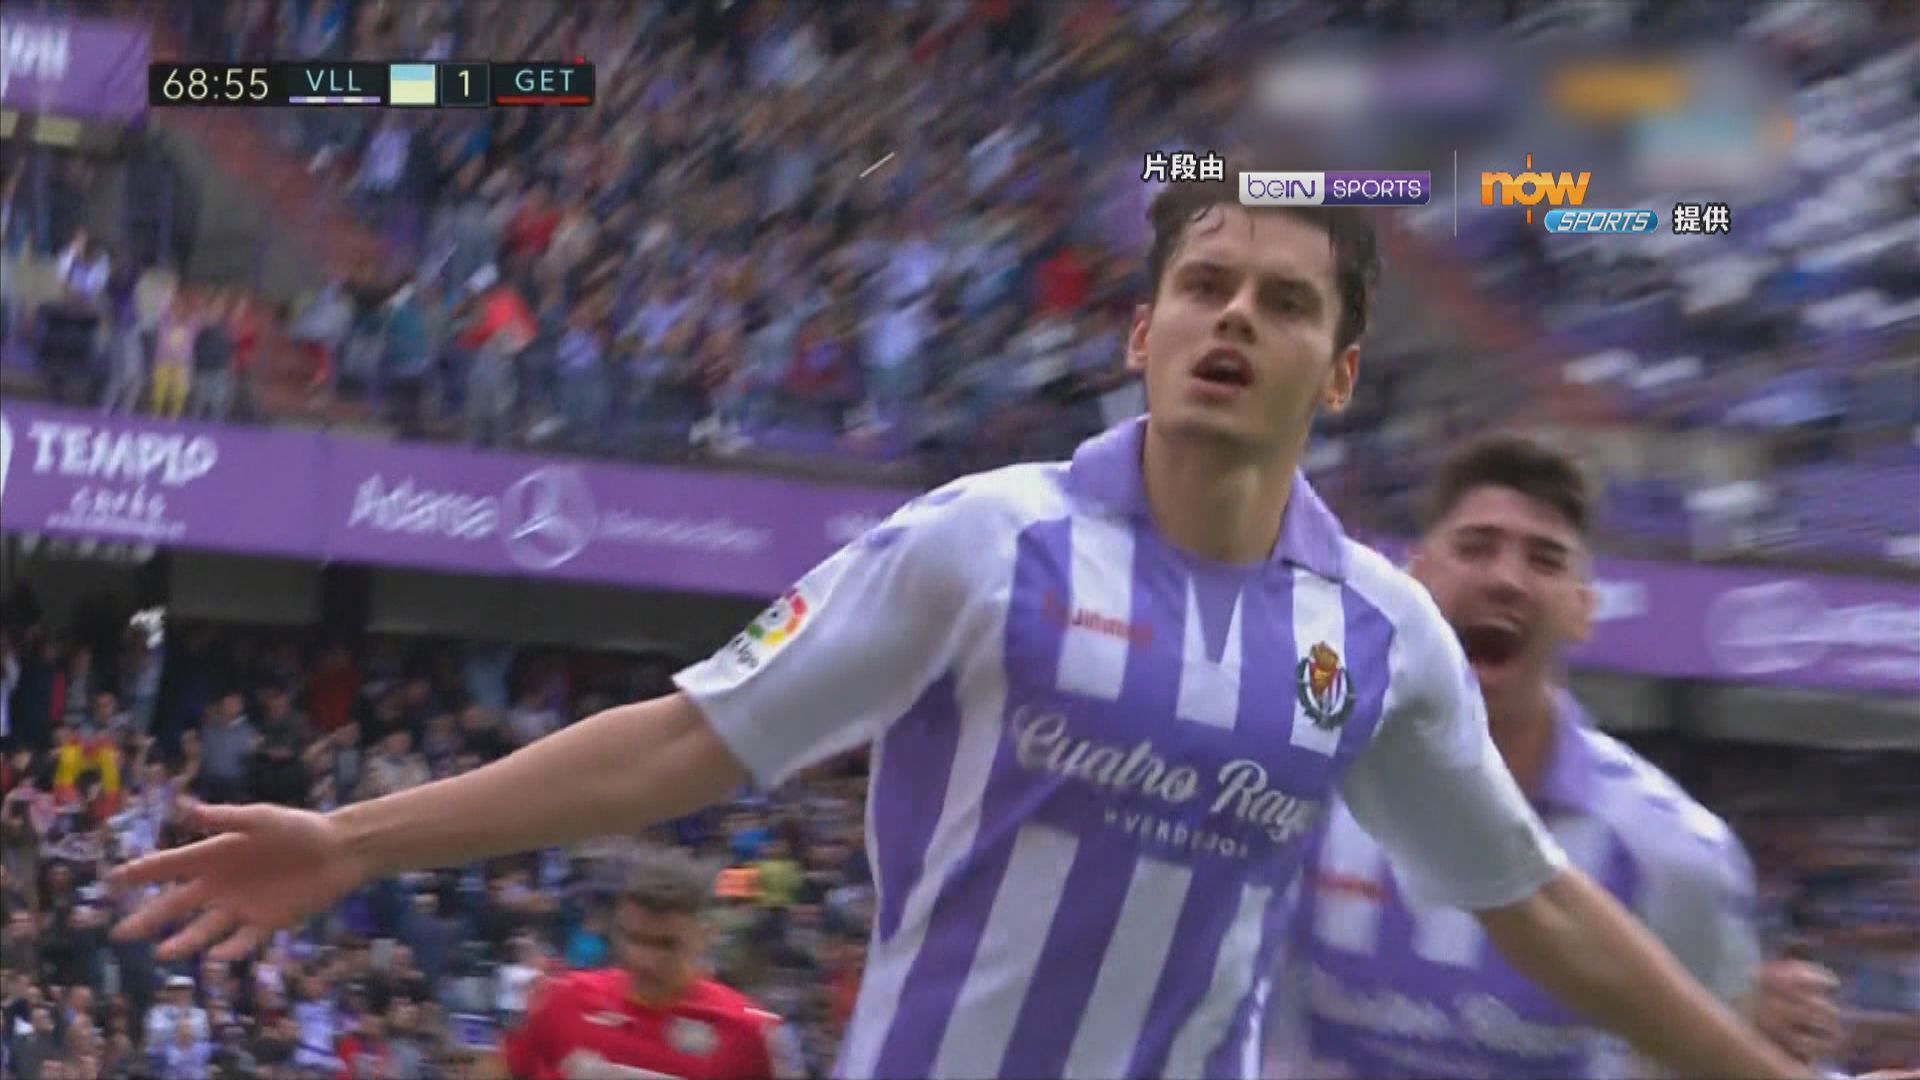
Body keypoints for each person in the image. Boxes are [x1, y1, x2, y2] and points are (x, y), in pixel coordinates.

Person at [105, 168, 1849, 1079]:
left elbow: (1537, 907)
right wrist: (353, 839)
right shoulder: (984, 544)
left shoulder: (1378, 636)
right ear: (1142, 334)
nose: (1235, 318)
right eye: (1203, 287)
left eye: (1284, 300)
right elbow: (688, 740)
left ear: (1341, 369)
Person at [1265, 435, 1847, 1079]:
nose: (1506, 580)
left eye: (1545, 559)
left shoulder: (1677, 857)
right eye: (1475, 547)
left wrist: (1752, 1030)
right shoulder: (1305, 784)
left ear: (1582, 609)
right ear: (1415, 578)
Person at [499, 845, 804, 1079]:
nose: (644, 960)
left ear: (705, 936)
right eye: (633, 938)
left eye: (666, 944)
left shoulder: (748, 1032)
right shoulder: (564, 1000)